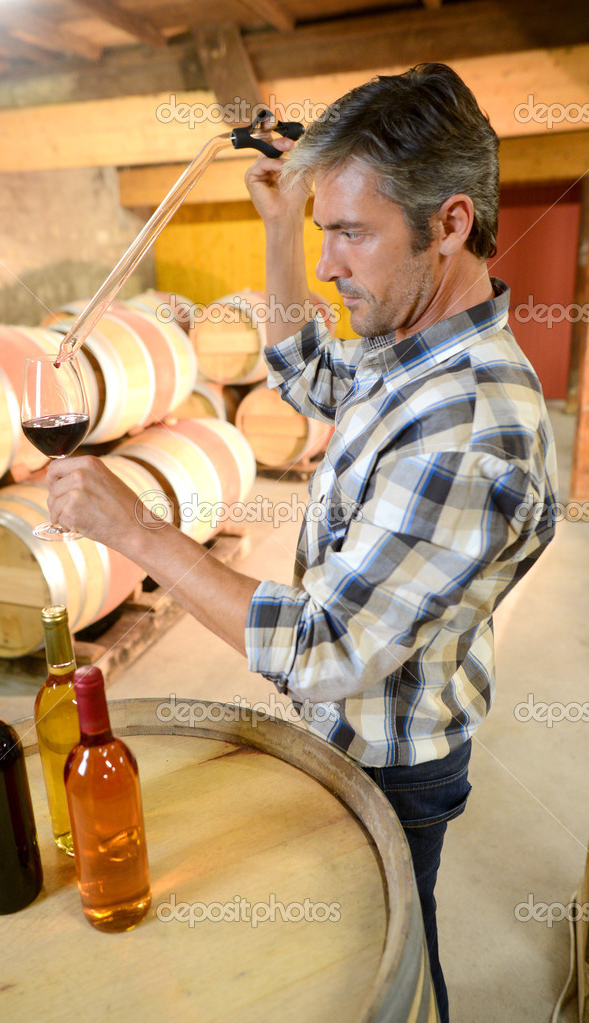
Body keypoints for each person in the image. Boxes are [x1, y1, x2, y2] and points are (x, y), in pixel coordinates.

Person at [46, 63, 558, 1021]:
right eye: (327, 233)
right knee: (370, 951)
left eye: (351, 232)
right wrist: (282, 227)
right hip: (345, 731)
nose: (330, 266)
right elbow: (304, 371)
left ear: (449, 223)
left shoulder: (468, 426)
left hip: (389, 759)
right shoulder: (413, 349)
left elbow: (323, 648)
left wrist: (136, 529)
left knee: (389, 971)